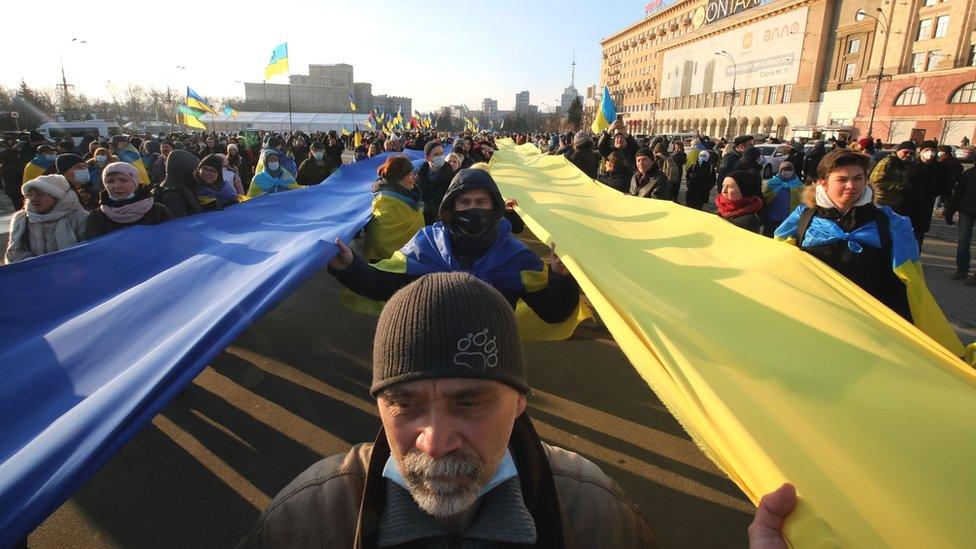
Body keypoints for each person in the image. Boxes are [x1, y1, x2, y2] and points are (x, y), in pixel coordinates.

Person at [239, 271, 801, 548]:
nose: (435, 440)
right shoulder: (308, 520)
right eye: (404, 404)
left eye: (471, 401)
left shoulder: (595, 515)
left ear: (520, 400)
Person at [328, 168, 579, 325]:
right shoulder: (427, 244)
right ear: (452, 208)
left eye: (481, 201)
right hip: (431, 356)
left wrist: (560, 278)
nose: (474, 208)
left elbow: (553, 313)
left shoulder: (516, 257)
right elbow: (383, 284)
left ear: (495, 207)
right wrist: (349, 266)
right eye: (465, 202)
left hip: (492, 361)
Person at [775, 149, 964, 356]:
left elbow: (911, 281)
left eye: (858, 178)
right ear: (822, 182)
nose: (851, 186)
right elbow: (778, 268)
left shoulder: (892, 222)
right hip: (815, 321)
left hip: (872, 328)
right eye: (842, 179)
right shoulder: (802, 219)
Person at [5, 175, 89, 264]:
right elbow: (14, 253)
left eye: (40, 194)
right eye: (30, 194)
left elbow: (88, 251)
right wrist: (38, 265)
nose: (33, 199)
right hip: (35, 274)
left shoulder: (78, 217)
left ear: (57, 197)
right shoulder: (22, 219)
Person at [84, 162, 173, 239]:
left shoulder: (157, 211)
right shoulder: (97, 218)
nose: (116, 186)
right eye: (110, 181)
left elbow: (171, 238)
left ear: (135, 182)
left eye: (123, 180)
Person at [365, 155, 425, 261]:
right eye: (410, 174)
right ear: (399, 178)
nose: (414, 177)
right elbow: (379, 239)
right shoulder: (384, 202)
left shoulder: (413, 196)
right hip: (386, 265)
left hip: (410, 260)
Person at [901, 140, 952, 247]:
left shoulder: (940, 168)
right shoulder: (911, 166)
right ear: (921, 151)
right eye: (927, 150)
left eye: (932, 150)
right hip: (906, 206)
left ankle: (915, 260)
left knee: (918, 237)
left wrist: (945, 204)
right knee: (903, 235)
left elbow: (945, 187)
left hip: (925, 207)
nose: (929, 153)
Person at [945, 164, 976, 284]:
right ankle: (962, 269)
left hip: (966, 211)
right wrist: (950, 212)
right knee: (963, 241)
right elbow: (957, 194)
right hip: (966, 211)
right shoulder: (968, 174)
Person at [153, 149, 206, 219]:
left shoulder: (182, 185)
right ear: (185, 169)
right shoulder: (171, 195)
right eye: (195, 170)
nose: (197, 174)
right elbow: (181, 224)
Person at [762, 161, 803, 237]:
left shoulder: (798, 184)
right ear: (780, 171)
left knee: (783, 235)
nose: (787, 172)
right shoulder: (772, 182)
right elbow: (766, 197)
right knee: (768, 235)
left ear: (793, 171)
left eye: (789, 170)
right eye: (784, 170)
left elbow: (802, 200)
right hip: (772, 214)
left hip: (787, 215)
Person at [869, 141, 914, 209]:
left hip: (894, 203)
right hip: (880, 201)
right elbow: (875, 182)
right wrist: (899, 187)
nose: (908, 155)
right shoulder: (887, 162)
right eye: (906, 152)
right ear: (898, 151)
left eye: (911, 153)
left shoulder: (906, 165)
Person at [416, 141, 451, 225]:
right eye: (436, 154)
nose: (440, 156)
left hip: (442, 222)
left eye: (442, 153)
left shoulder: (451, 175)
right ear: (427, 157)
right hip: (422, 221)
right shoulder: (419, 175)